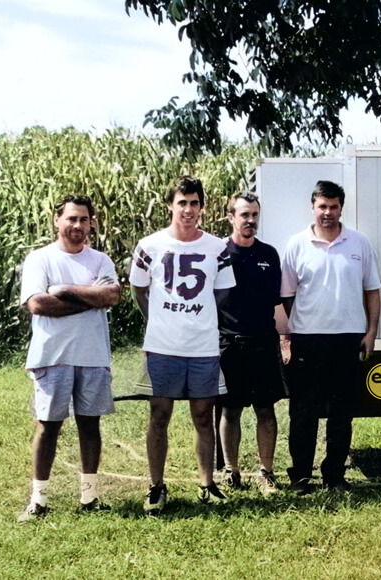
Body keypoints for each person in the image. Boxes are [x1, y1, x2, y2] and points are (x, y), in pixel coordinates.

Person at [129, 175, 236, 513]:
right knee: (159, 413)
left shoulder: (217, 248)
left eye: (194, 204)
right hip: (163, 345)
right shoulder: (150, 245)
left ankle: (207, 483)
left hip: (202, 346)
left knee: (203, 415)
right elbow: (138, 289)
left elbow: (223, 293)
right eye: (182, 203)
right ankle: (156, 486)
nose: (188, 210)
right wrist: (158, 320)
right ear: (170, 206)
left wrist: (198, 318)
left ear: (202, 208)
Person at [18, 195, 121, 521]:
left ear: (92, 223)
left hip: (92, 356)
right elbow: (37, 305)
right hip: (53, 356)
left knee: (90, 425)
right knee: (48, 427)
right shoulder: (40, 259)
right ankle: (39, 500)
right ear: (57, 221)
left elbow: (112, 295)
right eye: (71, 219)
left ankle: (89, 497)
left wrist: (62, 289)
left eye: (84, 220)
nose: (78, 226)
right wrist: (89, 297)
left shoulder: (101, 260)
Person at [280, 180, 381, 494]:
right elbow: (285, 297)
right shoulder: (297, 244)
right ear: (313, 207)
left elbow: (373, 291)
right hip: (308, 341)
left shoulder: (359, 243)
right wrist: (286, 338)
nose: (328, 213)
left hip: (348, 339)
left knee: (341, 414)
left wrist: (371, 332)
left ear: (341, 208)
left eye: (334, 207)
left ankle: (335, 476)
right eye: (322, 206)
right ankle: (300, 477)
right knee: (303, 413)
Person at [217, 192, 288, 495]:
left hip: (262, 343)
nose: (250, 221)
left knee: (265, 410)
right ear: (231, 217)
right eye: (244, 215)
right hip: (228, 344)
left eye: (254, 215)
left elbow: (277, 304)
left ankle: (266, 472)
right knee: (230, 412)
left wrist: (285, 340)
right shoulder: (216, 253)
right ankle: (231, 471)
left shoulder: (269, 255)